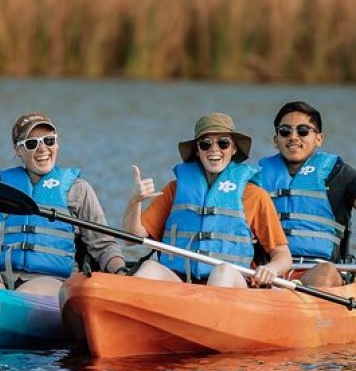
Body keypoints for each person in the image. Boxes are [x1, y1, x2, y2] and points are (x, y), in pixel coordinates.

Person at [0, 112, 127, 296]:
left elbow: (104, 245)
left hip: (50, 282)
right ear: (18, 150)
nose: (42, 149)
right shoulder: (2, 185)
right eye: (32, 143)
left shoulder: (78, 189)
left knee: (24, 295)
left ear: (57, 144)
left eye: (48, 141)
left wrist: (121, 273)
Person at [123, 113, 292, 288]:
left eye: (223, 143)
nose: (214, 150)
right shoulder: (175, 190)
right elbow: (132, 239)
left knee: (222, 271)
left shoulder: (255, 195)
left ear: (233, 149)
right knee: (149, 268)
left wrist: (271, 269)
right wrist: (134, 201)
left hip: (232, 283)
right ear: (197, 151)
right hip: (181, 282)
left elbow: (283, 256)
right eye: (206, 144)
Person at [258, 101, 356, 288]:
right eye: (285, 131)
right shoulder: (257, 177)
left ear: (318, 138)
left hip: (317, 271)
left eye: (303, 131)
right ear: (276, 140)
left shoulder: (337, 174)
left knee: (326, 273)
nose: (293, 137)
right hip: (269, 270)